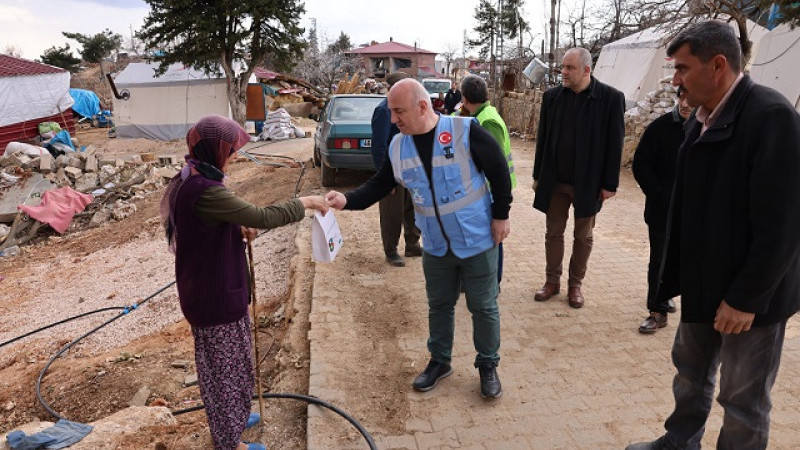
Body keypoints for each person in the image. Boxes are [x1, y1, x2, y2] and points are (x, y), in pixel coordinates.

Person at [626, 20, 800, 450]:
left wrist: (746, 299)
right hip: (705, 286)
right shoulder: (699, 119)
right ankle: (680, 441)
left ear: (718, 65)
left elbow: (785, 225)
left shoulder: (771, 117)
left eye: (683, 68)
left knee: (742, 400)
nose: (675, 79)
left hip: (750, 301)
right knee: (690, 372)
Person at [325, 78, 512, 399]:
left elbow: (498, 170)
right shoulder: (399, 146)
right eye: (391, 112)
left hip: (478, 239)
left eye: (399, 112)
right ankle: (440, 361)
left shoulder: (465, 131)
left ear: (422, 106)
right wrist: (346, 200)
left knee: (482, 306)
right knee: (439, 305)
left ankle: (487, 365)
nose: (393, 119)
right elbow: (380, 184)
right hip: (437, 246)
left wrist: (501, 215)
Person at [160, 115, 327, 450]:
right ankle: (228, 440)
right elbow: (261, 216)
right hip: (213, 296)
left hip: (216, 289)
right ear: (214, 150)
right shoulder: (202, 189)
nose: (236, 154)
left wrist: (235, 227)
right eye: (231, 149)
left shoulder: (196, 176)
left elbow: (210, 224)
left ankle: (235, 416)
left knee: (234, 360)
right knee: (222, 373)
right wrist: (306, 202)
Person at [532, 47, 625, 308]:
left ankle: (575, 285)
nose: (563, 72)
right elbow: (543, 139)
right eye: (562, 67)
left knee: (583, 236)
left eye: (569, 68)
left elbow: (614, 145)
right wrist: (538, 175)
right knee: (553, 233)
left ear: (586, 70)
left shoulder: (610, 99)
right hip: (555, 180)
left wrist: (609, 184)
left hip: (589, 183)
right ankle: (552, 281)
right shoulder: (552, 98)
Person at [632, 88, 692, 333]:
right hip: (662, 212)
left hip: (695, 214)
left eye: (692, 97)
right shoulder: (660, 128)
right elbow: (641, 164)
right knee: (659, 260)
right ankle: (656, 310)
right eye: (682, 97)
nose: (686, 103)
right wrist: (659, 194)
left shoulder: (708, 128)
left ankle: (692, 314)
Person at [460, 74, 516, 287]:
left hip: (492, 190)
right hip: (487, 189)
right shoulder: (482, 114)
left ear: (465, 98)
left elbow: (496, 164)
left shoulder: (487, 120)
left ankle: (493, 282)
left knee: (494, 236)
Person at [371, 72, 421, 267]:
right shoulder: (383, 111)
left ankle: (412, 244)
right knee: (392, 212)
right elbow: (378, 146)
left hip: (410, 169)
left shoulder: (405, 109)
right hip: (393, 171)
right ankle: (391, 250)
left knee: (413, 208)